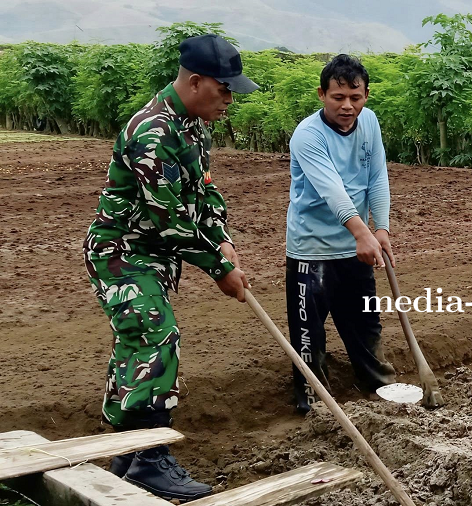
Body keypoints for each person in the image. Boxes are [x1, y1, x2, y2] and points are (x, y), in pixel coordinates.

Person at [83, 34, 257, 501]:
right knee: (155, 337)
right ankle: (150, 459)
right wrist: (218, 268)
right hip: (123, 254)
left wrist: (222, 237)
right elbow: (170, 219)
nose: (230, 99)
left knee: (135, 345)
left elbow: (204, 190)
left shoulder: (194, 124)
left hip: (153, 253)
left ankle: (126, 455)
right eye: (224, 89)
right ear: (195, 82)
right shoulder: (153, 131)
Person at [286, 54, 396, 415]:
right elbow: (331, 189)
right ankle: (314, 407)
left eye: (355, 97)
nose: (347, 106)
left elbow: (376, 176)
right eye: (338, 97)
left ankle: (381, 389)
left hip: (356, 246)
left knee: (365, 324)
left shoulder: (370, 122)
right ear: (322, 94)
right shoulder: (308, 135)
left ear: (366, 95)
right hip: (312, 249)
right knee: (309, 336)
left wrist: (381, 228)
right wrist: (362, 233)